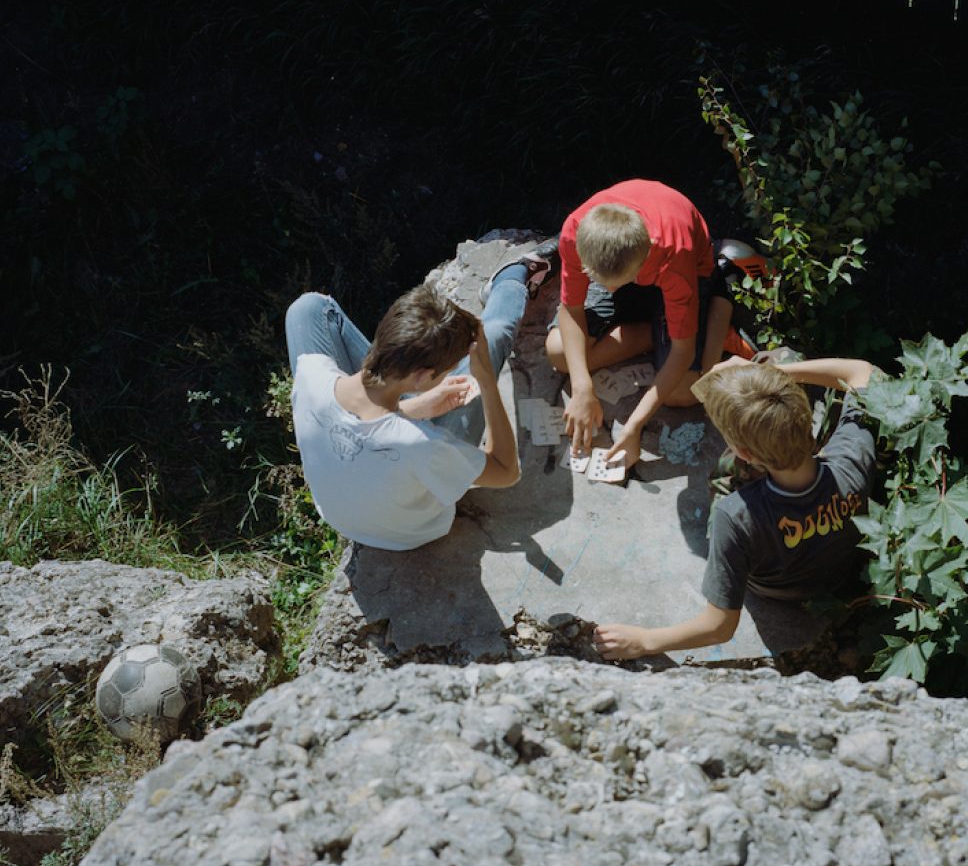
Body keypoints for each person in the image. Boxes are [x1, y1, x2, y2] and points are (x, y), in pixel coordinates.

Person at [592, 355, 877, 660]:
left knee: (724, 472)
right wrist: (767, 372)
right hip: (837, 573)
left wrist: (644, 641)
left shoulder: (736, 515)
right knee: (779, 354)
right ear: (806, 417)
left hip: (777, 591)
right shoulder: (852, 457)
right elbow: (864, 371)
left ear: (744, 453)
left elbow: (720, 626)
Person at [283, 239, 557, 551]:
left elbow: (364, 434)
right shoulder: (423, 444)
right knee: (491, 337)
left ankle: (395, 399)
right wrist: (487, 384)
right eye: (447, 369)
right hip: (409, 533)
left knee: (307, 308)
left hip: (344, 513)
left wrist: (414, 406)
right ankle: (514, 275)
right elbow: (507, 472)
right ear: (423, 377)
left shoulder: (310, 374)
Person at [544, 179, 742, 470]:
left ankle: (720, 293)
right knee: (560, 352)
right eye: (599, 283)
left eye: (615, 286)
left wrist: (633, 426)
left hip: (687, 269)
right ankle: (656, 332)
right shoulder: (576, 234)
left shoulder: (674, 257)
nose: (608, 292)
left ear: (645, 262)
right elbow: (571, 309)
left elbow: (682, 351)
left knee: (686, 392)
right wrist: (582, 385)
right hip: (623, 263)